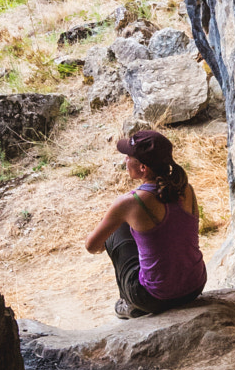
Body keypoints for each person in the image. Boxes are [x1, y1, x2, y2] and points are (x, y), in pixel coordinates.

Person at [85, 127, 207, 318]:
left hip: (154, 298)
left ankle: (129, 302)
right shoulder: (187, 188)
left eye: (129, 157)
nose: (125, 160)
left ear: (143, 167)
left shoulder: (129, 203)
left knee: (113, 232)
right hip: (194, 286)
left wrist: (108, 247)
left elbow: (91, 246)